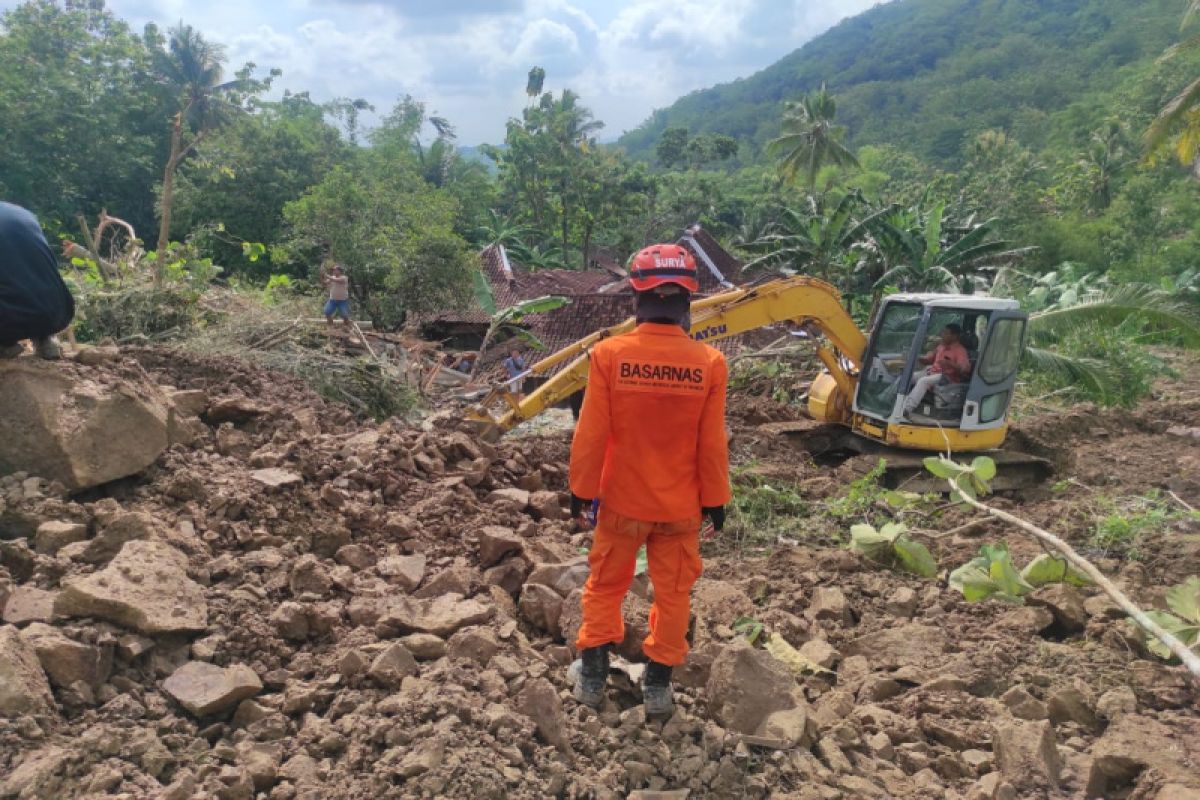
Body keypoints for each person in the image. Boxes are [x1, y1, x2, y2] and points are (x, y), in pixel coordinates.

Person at [568, 243, 730, 716]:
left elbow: (591, 435)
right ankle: (658, 687)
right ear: (687, 302)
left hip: (621, 503)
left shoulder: (609, 355)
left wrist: (580, 492)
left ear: (635, 298)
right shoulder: (710, 364)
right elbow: (712, 444)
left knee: (605, 586)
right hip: (680, 510)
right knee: (674, 593)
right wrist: (716, 501)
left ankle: (592, 678)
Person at [0, 202, 74, 360]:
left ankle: (5, 345)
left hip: (9, 320)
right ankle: (45, 338)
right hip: (58, 312)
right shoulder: (22, 213)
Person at [903, 322, 971, 416]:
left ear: (954, 336)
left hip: (947, 377)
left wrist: (950, 364)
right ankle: (890, 399)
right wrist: (916, 357)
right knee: (907, 376)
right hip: (932, 372)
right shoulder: (941, 346)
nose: (942, 335)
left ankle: (906, 409)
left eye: (946, 333)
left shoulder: (960, 351)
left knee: (924, 381)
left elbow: (965, 369)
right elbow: (929, 360)